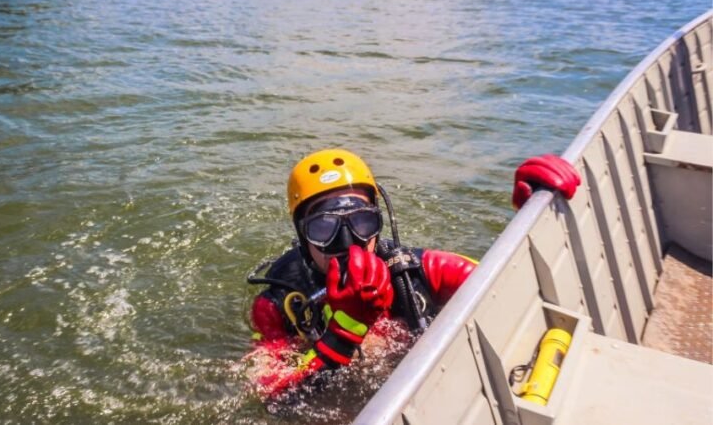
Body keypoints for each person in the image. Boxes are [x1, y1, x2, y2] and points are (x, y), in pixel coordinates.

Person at [245, 149, 580, 400]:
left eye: (362, 222)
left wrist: (531, 219)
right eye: (324, 227)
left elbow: (512, 285)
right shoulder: (279, 302)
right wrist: (342, 335)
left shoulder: (421, 271)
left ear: (379, 219)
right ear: (303, 235)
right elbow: (271, 397)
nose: (347, 242)